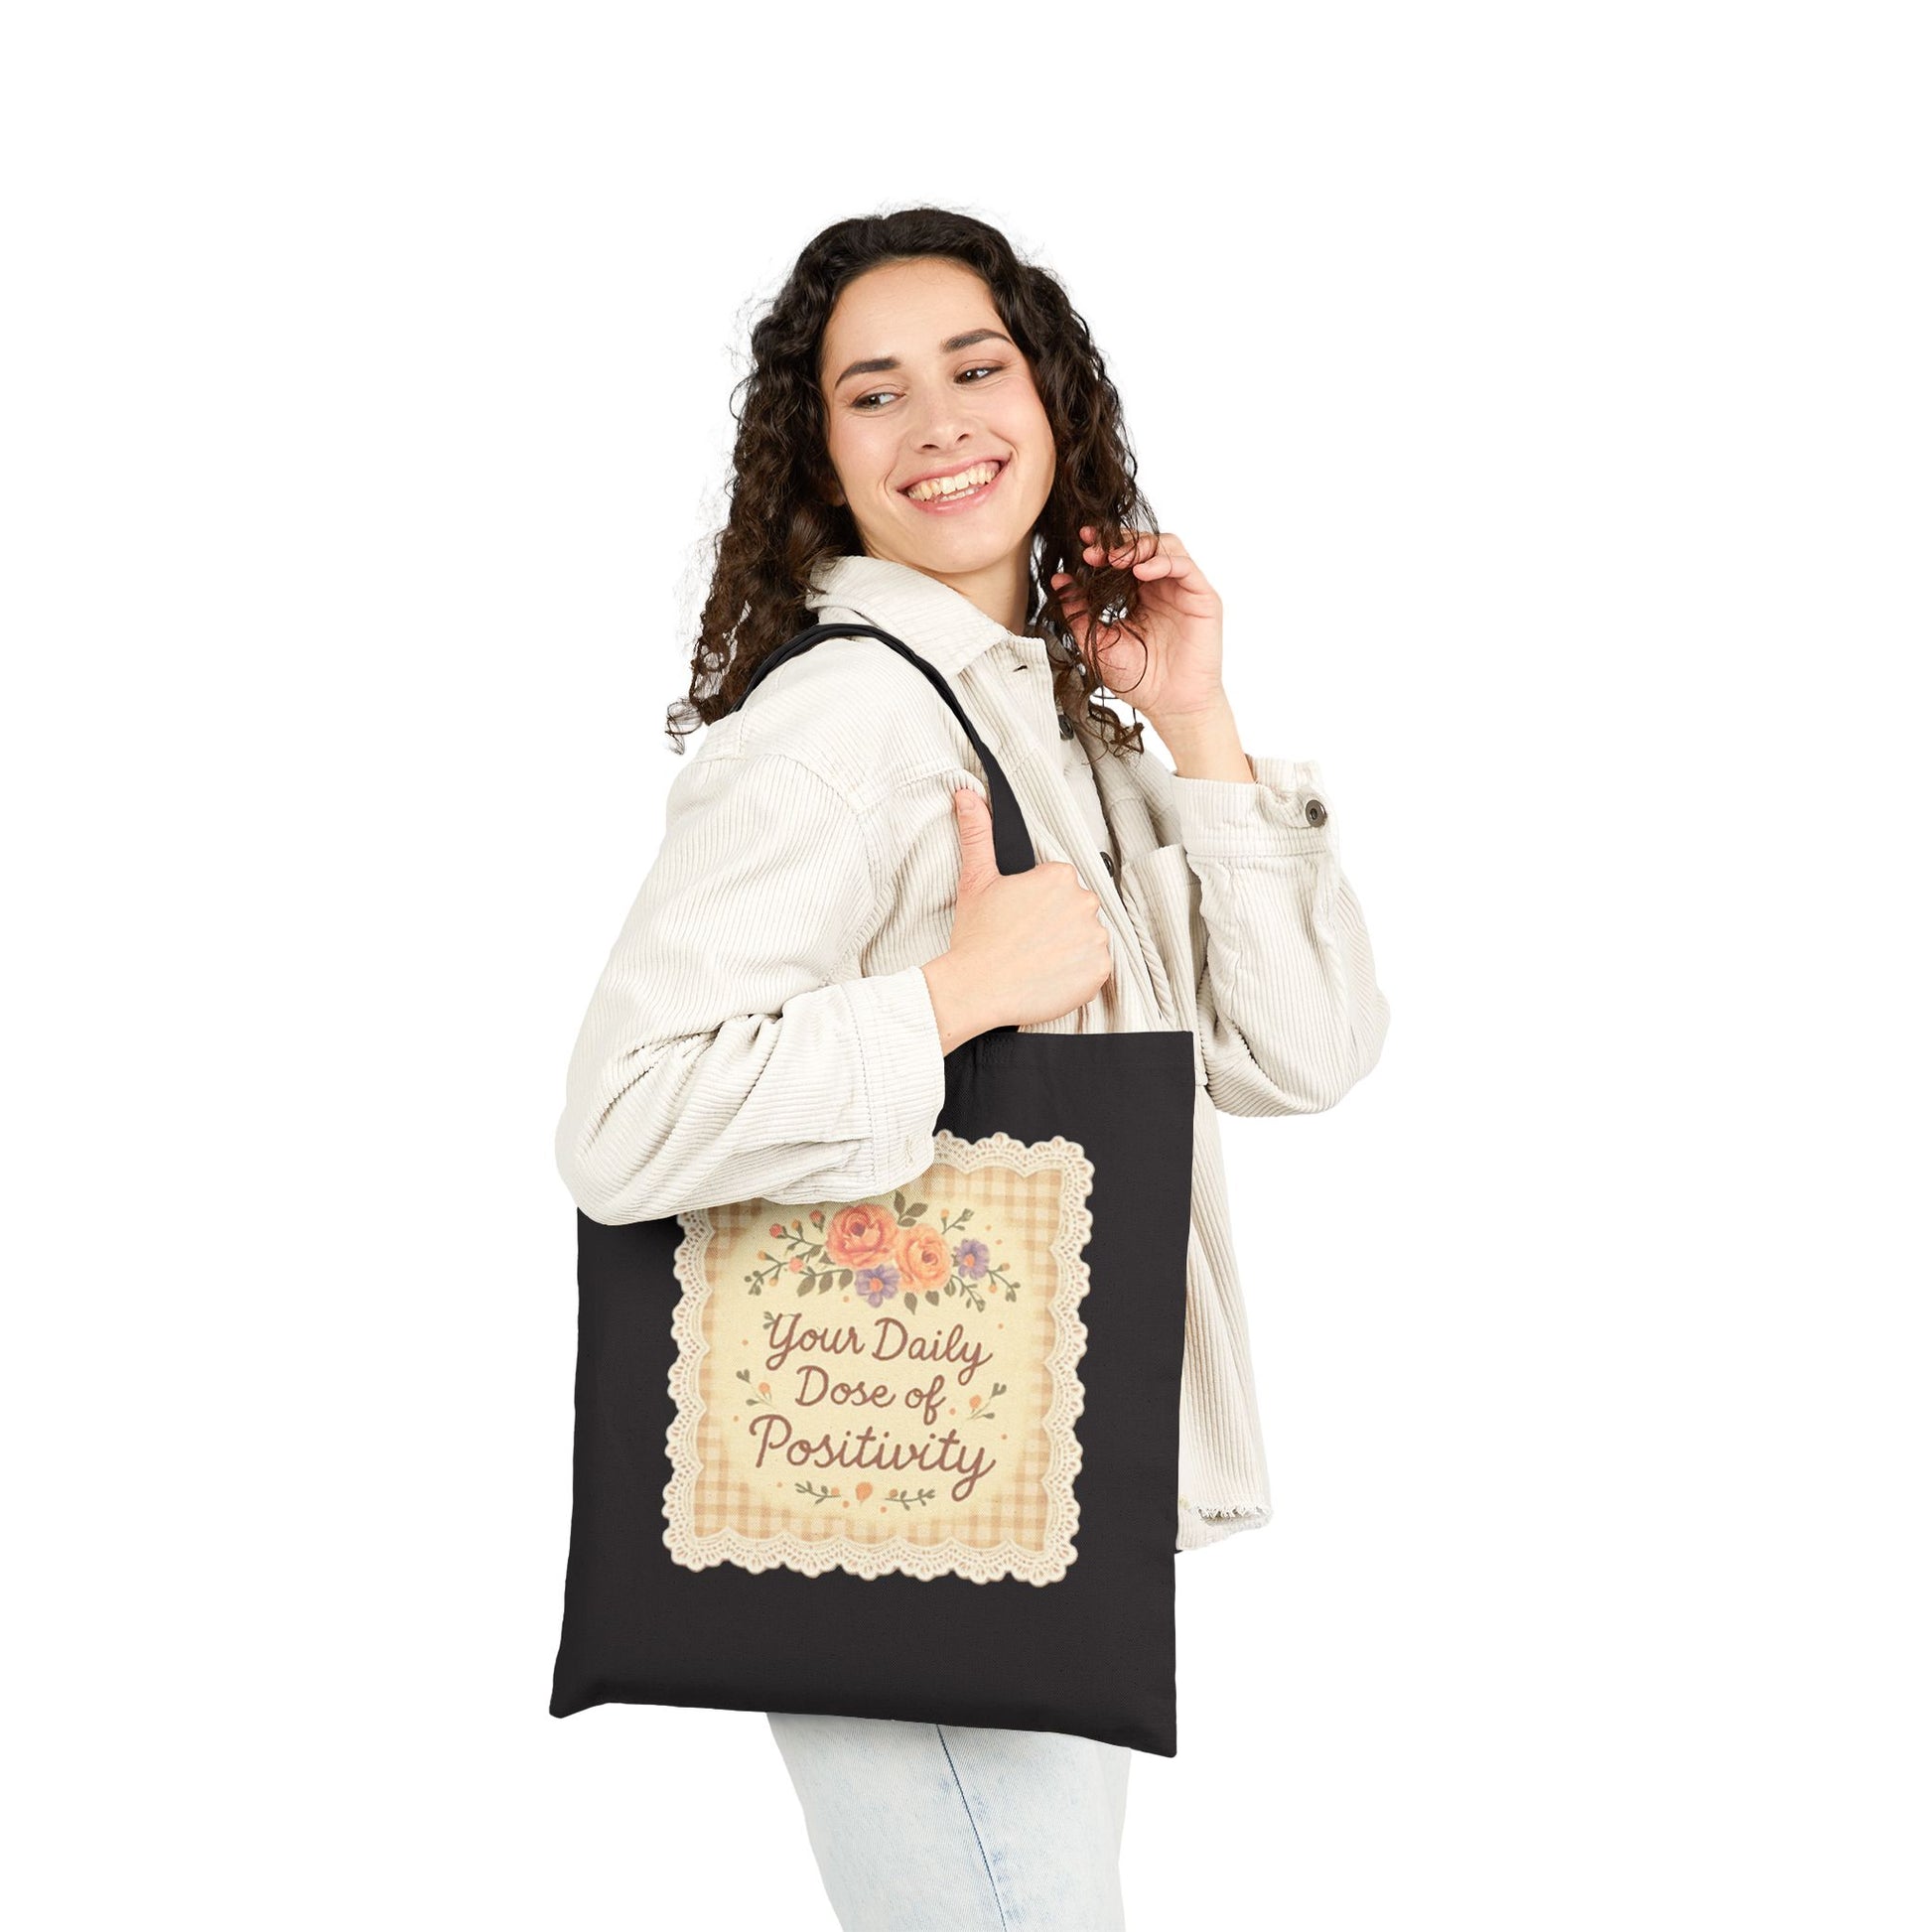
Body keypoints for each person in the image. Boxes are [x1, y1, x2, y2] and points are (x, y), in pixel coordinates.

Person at [554, 206, 1391, 1931]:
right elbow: (623, 1120)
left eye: (975, 366)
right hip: (890, 1492)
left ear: (1054, 402)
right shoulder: (843, 724)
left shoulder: (1043, 722)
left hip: (1021, 1489)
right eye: (874, 393)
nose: (937, 419)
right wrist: (949, 996)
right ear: (823, 464)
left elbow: (1299, 1056)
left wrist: (1200, 727)